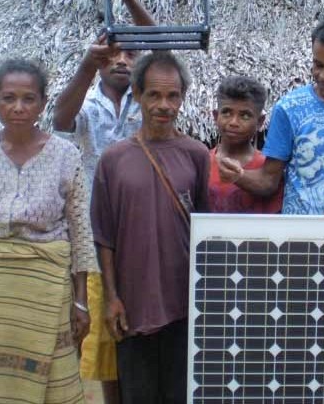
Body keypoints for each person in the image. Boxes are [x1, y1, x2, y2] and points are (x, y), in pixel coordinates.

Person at [0, 58, 99, 404]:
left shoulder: (65, 154)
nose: (18, 107)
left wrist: (81, 302)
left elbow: (80, 232)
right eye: (8, 98)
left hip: (49, 283)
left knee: (57, 375)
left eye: (28, 98)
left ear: (43, 103)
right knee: (3, 382)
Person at [52, 0, 155, 404]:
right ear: (99, 58)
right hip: (98, 242)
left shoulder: (151, 95)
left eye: (130, 56)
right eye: (112, 54)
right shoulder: (86, 100)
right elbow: (59, 121)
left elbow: (161, 43)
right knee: (106, 343)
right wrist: (85, 66)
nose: (122, 61)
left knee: (146, 329)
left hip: (146, 233)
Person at [90, 51, 210, 404]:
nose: (164, 104)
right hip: (133, 305)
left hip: (185, 306)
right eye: (154, 95)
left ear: (182, 99)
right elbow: (104, 237)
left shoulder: (197, 154)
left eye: (173, 96)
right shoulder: (113, 159)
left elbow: (206, 230)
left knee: (181, 395)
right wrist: (112, 298)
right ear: (138, 95)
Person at [217, 17, 324, 218]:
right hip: (298, 241)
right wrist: (238, 175)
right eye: (318, 65)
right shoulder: (290, 108)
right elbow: (269, 180)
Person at [210, 75, 283, 213]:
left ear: (260, 121)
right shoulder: (202, 163)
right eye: (226, 113)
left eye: (245, 115)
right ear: (215, 116)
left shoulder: (268, 170)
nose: (233, 122)